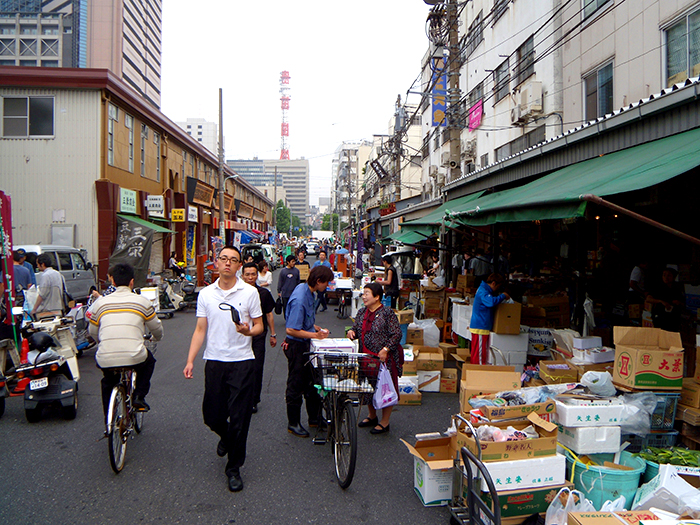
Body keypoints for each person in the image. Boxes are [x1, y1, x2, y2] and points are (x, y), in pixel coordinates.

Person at [183, 245, 263, 493]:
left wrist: (248, 330)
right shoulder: (206, 294)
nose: (228, 263)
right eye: (223, 259)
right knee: (212, 415)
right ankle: (226, 438)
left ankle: (234, 469)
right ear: (216, 263)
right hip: (215, 361)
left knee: (240, 418)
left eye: (233, 260)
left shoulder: (250, 293)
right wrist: (190, 360)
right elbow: (200, 329)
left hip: (242, 361)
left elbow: (260, 326)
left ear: (240, 265)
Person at [88, 263, 163, 416]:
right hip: (134, 355)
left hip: (105, 357)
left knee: (108, 380)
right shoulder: (142, 302)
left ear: (113, 281)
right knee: (149, 362)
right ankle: (139, 397)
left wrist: (101, 342)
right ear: (132, 282)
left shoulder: (100, 303)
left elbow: (93, 332)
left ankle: (109, 419)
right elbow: (156, 328)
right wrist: (156, 337)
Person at [283, 265, 334, 437]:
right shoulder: (300, 298)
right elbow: (291, 329)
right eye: (326, 283)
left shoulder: (308, 290)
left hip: (306, 343)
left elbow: (304, 321)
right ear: (318, 281)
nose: (327, 287)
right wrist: (315, 335)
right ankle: (293, 423)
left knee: (313, 384)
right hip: (297, 346)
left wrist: (315, 328)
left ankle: (315, 418)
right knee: (296, 385)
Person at [347, 283, 402, 434]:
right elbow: (356, 328)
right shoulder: (362, 312)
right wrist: (351, 332)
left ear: (377, 297)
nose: (363, 296)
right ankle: (372, 416)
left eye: (367, 293)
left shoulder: (387, 313)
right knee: (367, 387)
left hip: (383, 358)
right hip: (365, 356)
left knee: (385, 388)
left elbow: (397, 334)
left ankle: (385, 421)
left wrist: (386, 349)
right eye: (363, 293)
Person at [240, 261, 277, 413]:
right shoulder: (237, 293)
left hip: (259, 335)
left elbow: (269, 315)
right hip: (241, 336)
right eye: (247, 274)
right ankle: (241, 397)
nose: (250, 277)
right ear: (242, 276)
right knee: (241, 367)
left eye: (253, 274)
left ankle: (254, 399)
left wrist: (273, 334)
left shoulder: (264, 294)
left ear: (257, 275)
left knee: (256, 367)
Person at [469, 273, 510, 365]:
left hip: (481, 326)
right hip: (480, 327)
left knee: (479, 353)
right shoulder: (483, 291)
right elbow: (491, 302)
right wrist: (503, 296)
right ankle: (478, 373)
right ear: (494, 283)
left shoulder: (485, 291)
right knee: (479, 355)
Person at [647, 267, 685, 332]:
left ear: (674, 277)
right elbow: (648, 299)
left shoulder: (677, 288)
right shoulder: (658, 287)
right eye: (664, 275)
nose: (666, 277)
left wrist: (678, 302)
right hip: (660, 317)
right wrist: (661, 301)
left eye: (669, 275)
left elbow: (683, 303)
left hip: (673, 318)